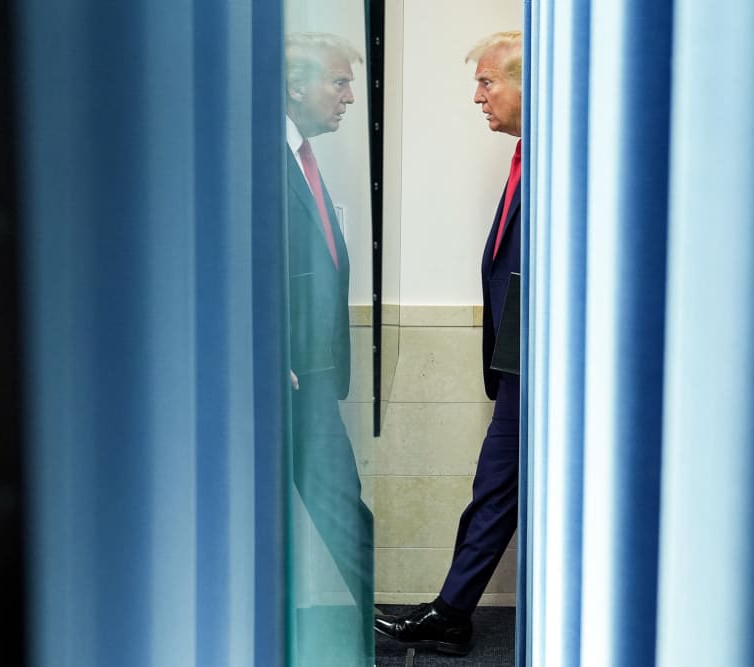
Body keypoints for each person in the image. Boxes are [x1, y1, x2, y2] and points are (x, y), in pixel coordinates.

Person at [374, 30, 524, 657]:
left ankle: (452, 614)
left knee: (496, 490)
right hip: (520, 366)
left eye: (487, 82)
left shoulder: (569, 163)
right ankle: (452, 613)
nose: (477, 97)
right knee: (494, 490)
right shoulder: (529, 159)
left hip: (544, 367)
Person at [285, 32, 374, 666]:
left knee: (342, 505)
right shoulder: (258, 159)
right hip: (283, 374)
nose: (349, 97)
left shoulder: (300, 157)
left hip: (311, 372)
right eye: (339, 82)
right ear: (296, 86)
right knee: (339, 506)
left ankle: (363, 637)